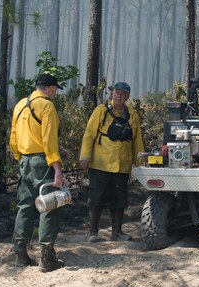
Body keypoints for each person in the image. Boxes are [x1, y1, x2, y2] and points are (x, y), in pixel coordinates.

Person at [9, 74, 65, 272]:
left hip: (24, 161)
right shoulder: (47, 106)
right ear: (49, 88)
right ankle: (47, 257)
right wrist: (57, 167)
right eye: (55, 89)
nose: (55, 92)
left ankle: (20, 254)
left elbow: (13, 138)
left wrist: (21, 158)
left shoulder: (20, 105)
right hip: (43, 162)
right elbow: (50, 140)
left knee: (25, 206)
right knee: (49, 206)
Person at [79, 82, 144, 242]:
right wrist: (84, 156)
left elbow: (137, 141)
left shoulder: (133, 115)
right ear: (112, 94)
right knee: (96, 198)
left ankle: (117, 232)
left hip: (122, 165)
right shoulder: (101, 111)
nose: (119, 96)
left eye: (123, 93)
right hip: (100, 163)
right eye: (116, 92)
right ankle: (93, 232)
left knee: (119, 200)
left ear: (127, 97)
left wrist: (140, 162)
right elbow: (89, 134)